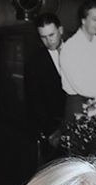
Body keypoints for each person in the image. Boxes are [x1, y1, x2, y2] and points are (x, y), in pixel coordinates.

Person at [53, 2, 96, 109]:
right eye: (95, 19)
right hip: (79, 105)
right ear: (83, 20)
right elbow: (80, 85)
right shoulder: (70, 47)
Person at [21, 14, 68, 154]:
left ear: (61, 30)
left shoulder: (78, 51)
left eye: (51, 34)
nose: (49, 41)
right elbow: (35, 101)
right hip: (54, 132)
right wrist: (51, 132)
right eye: (43, 37)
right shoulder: (34, 63)